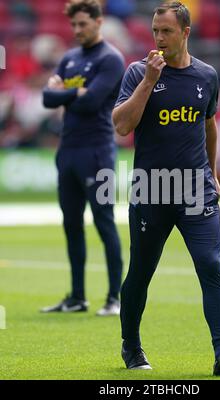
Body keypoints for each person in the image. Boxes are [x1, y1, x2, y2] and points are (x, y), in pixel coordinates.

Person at [112, 2, 220, 375]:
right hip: (152, 191)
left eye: (166, 31)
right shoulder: (138, 72)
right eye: (155, 30)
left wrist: (214, 173)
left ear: (185, 33)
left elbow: (209, 125)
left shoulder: (207, 75)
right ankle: (132, 347)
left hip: (196, 190)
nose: (158, 38)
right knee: (141, 272)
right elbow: (122, 126)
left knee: (210, 264)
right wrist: (148, 83)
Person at [41, 0, 124, 316]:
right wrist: (75, 94)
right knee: (71, 224)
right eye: (74, 25)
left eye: (83, 24)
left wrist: (70, 94)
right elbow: (47, 98)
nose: (77, 31)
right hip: (69, 151)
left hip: (98, 152)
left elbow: (92, 104)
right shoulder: (70, 58)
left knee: (104, 223)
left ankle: (114, 298)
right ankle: (77, 297)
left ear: (99, 22)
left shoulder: (111, 59)